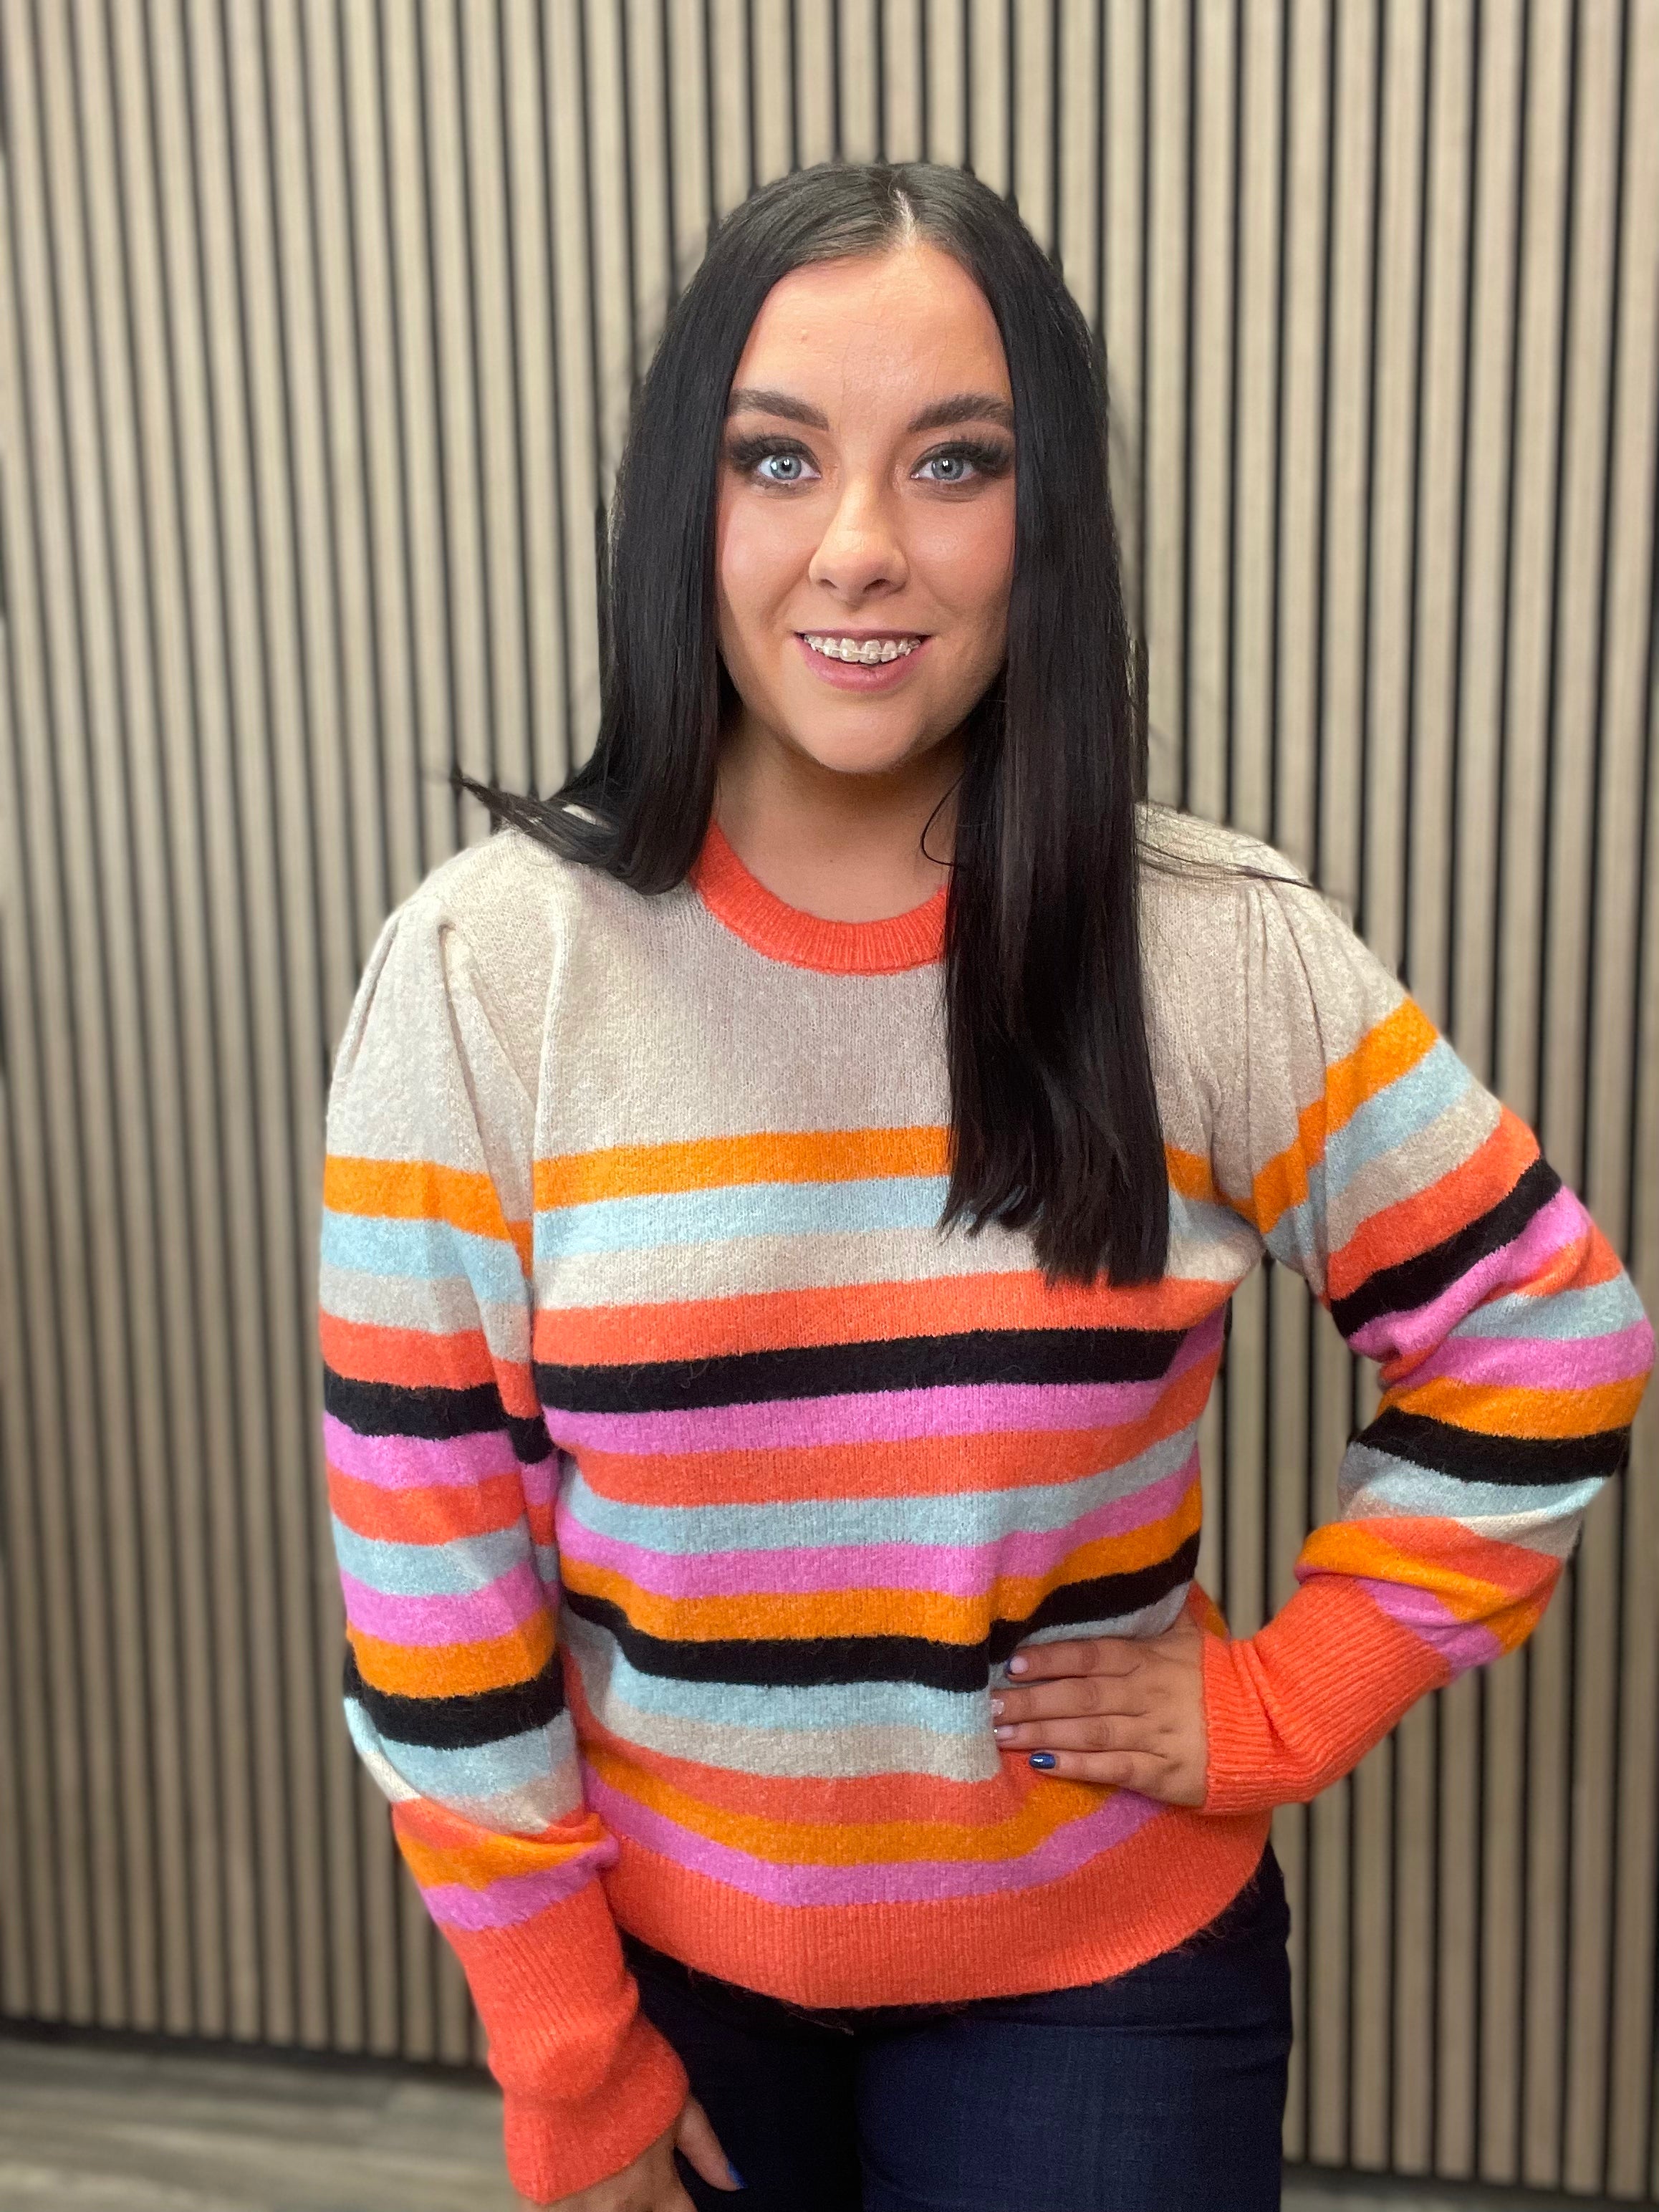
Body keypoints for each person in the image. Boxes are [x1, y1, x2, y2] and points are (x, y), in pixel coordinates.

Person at [316, 162, 1653, 2212]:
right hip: (663, 1977)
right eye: (777, 458)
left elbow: (1546, 1333)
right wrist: (561, 2042)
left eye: (955, 461)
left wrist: (1289, 1697)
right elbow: (435, 1573)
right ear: (686, 504)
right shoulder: (486, 977)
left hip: (1107, 1992)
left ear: (1051, 518)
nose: (859, 545)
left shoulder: (1207, 947)